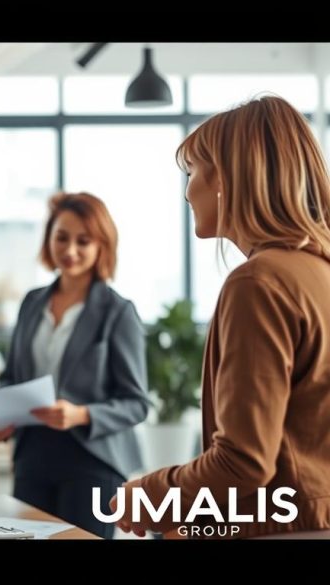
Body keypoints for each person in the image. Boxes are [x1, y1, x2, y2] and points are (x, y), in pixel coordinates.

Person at [111, 95, 330, 539]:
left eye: (191, 171)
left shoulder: (259, 283)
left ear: (226, 179)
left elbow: (244, 461)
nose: (187, 191)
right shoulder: (317, 272)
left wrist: (151, 493)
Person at [0, 192, 150, 539]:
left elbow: (136, 403)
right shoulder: (32, 303)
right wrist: (1, 417)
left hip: (92, 459)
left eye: (83, 241)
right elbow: (12, 376)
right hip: (33, 456)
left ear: (101, 245)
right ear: (49, 239)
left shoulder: (117, 312)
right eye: (61, 237)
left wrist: (81, 414)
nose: (70, 250)